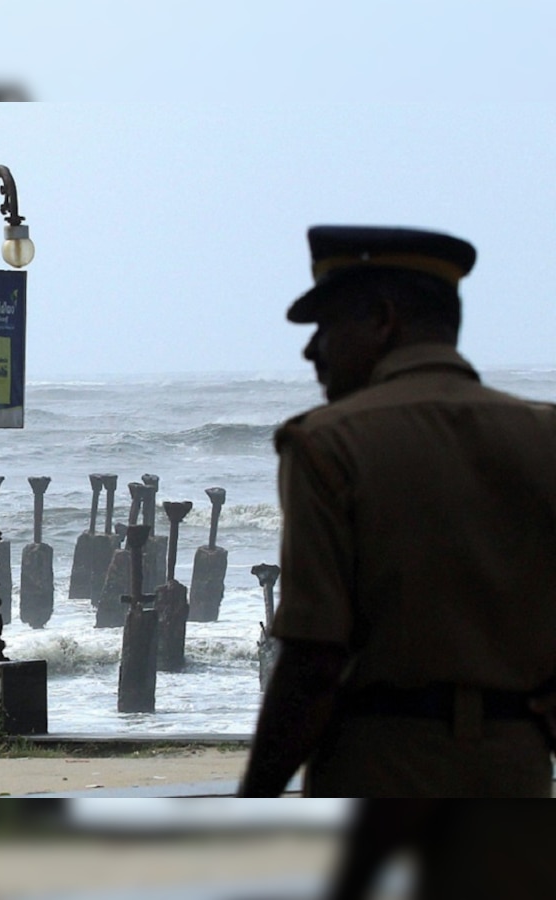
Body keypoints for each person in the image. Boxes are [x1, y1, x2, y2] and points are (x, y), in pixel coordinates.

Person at [237, 225, 556, 798]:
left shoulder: (327, 443)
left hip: (379, 770)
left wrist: (253, 803)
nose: (312, 350)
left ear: (383, 320)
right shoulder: (545, 436)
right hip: (516, 771)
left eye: (326, 325)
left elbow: (313, 661)